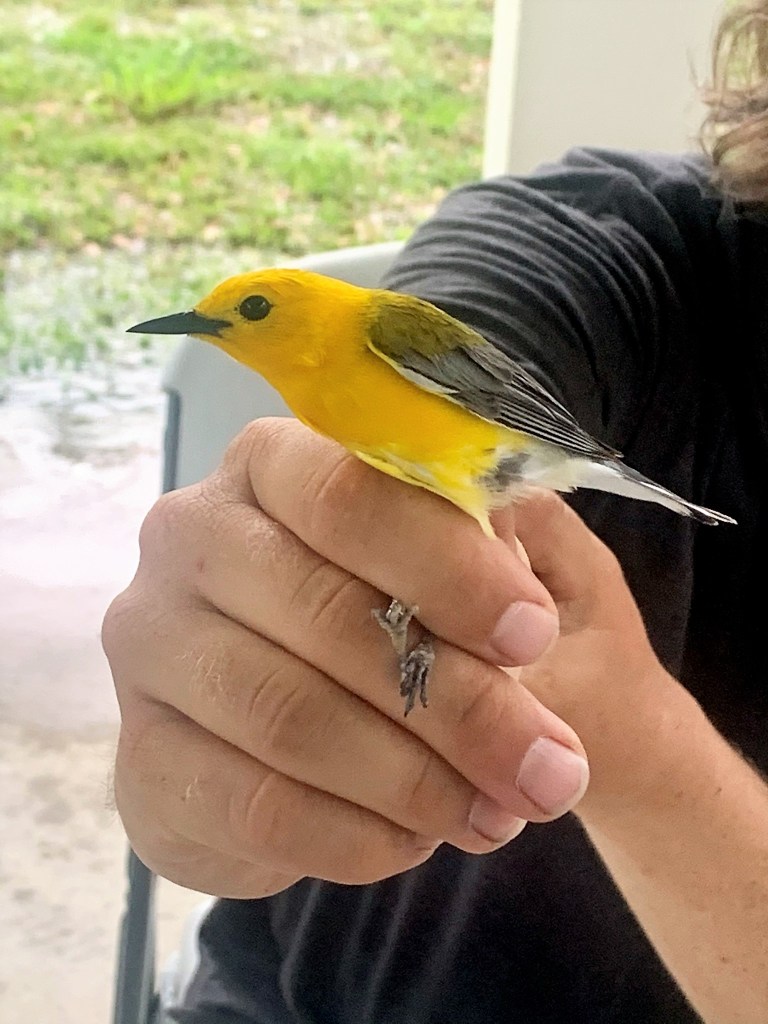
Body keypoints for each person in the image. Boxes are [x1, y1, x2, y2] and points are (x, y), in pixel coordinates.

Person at [102, 2, 768, 1021]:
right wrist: (254, 637)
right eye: (220, 320)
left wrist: (630, 735)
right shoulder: (605, 252)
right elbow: (500, 316)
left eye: (244, 314)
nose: (221, 328)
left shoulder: (366, 338)